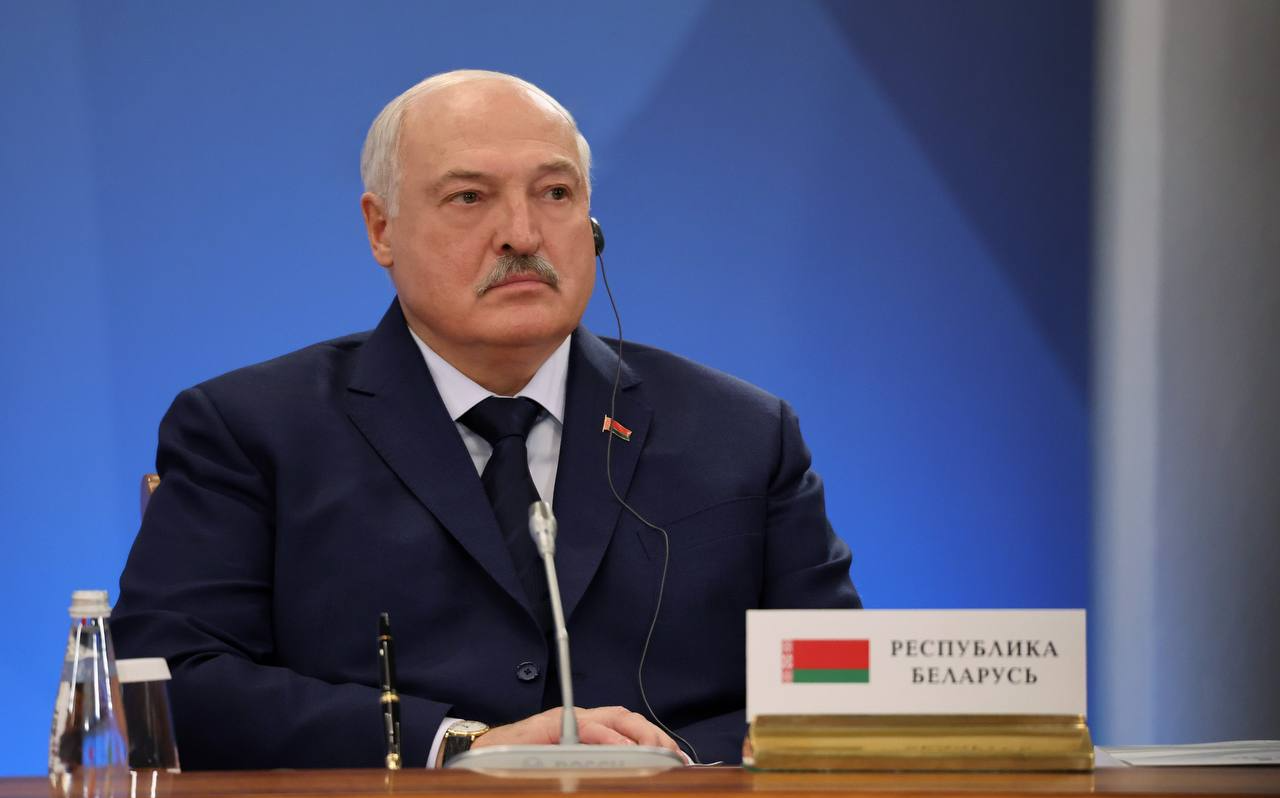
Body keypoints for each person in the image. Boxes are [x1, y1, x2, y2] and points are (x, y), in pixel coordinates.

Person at [113, 69, 859, 769]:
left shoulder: (743, 434)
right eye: (470, 197)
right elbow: (167, 680)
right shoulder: (251, 430)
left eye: (555, 193)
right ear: (381, 229)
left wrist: (671, 760)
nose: (523, 235)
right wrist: (459, 747)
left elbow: (838, 685)